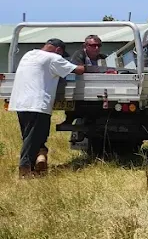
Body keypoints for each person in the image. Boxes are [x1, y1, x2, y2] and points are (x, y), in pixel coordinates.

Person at [10, 39, 89, 177]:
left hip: (20, 102)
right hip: (38, 104)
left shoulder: (29, 54)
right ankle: (25, 169)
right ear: (58, 50)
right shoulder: (54, 58)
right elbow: (79, 70)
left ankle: (37, 162)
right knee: (34, 138)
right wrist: (84, 63)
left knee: (29, 136)